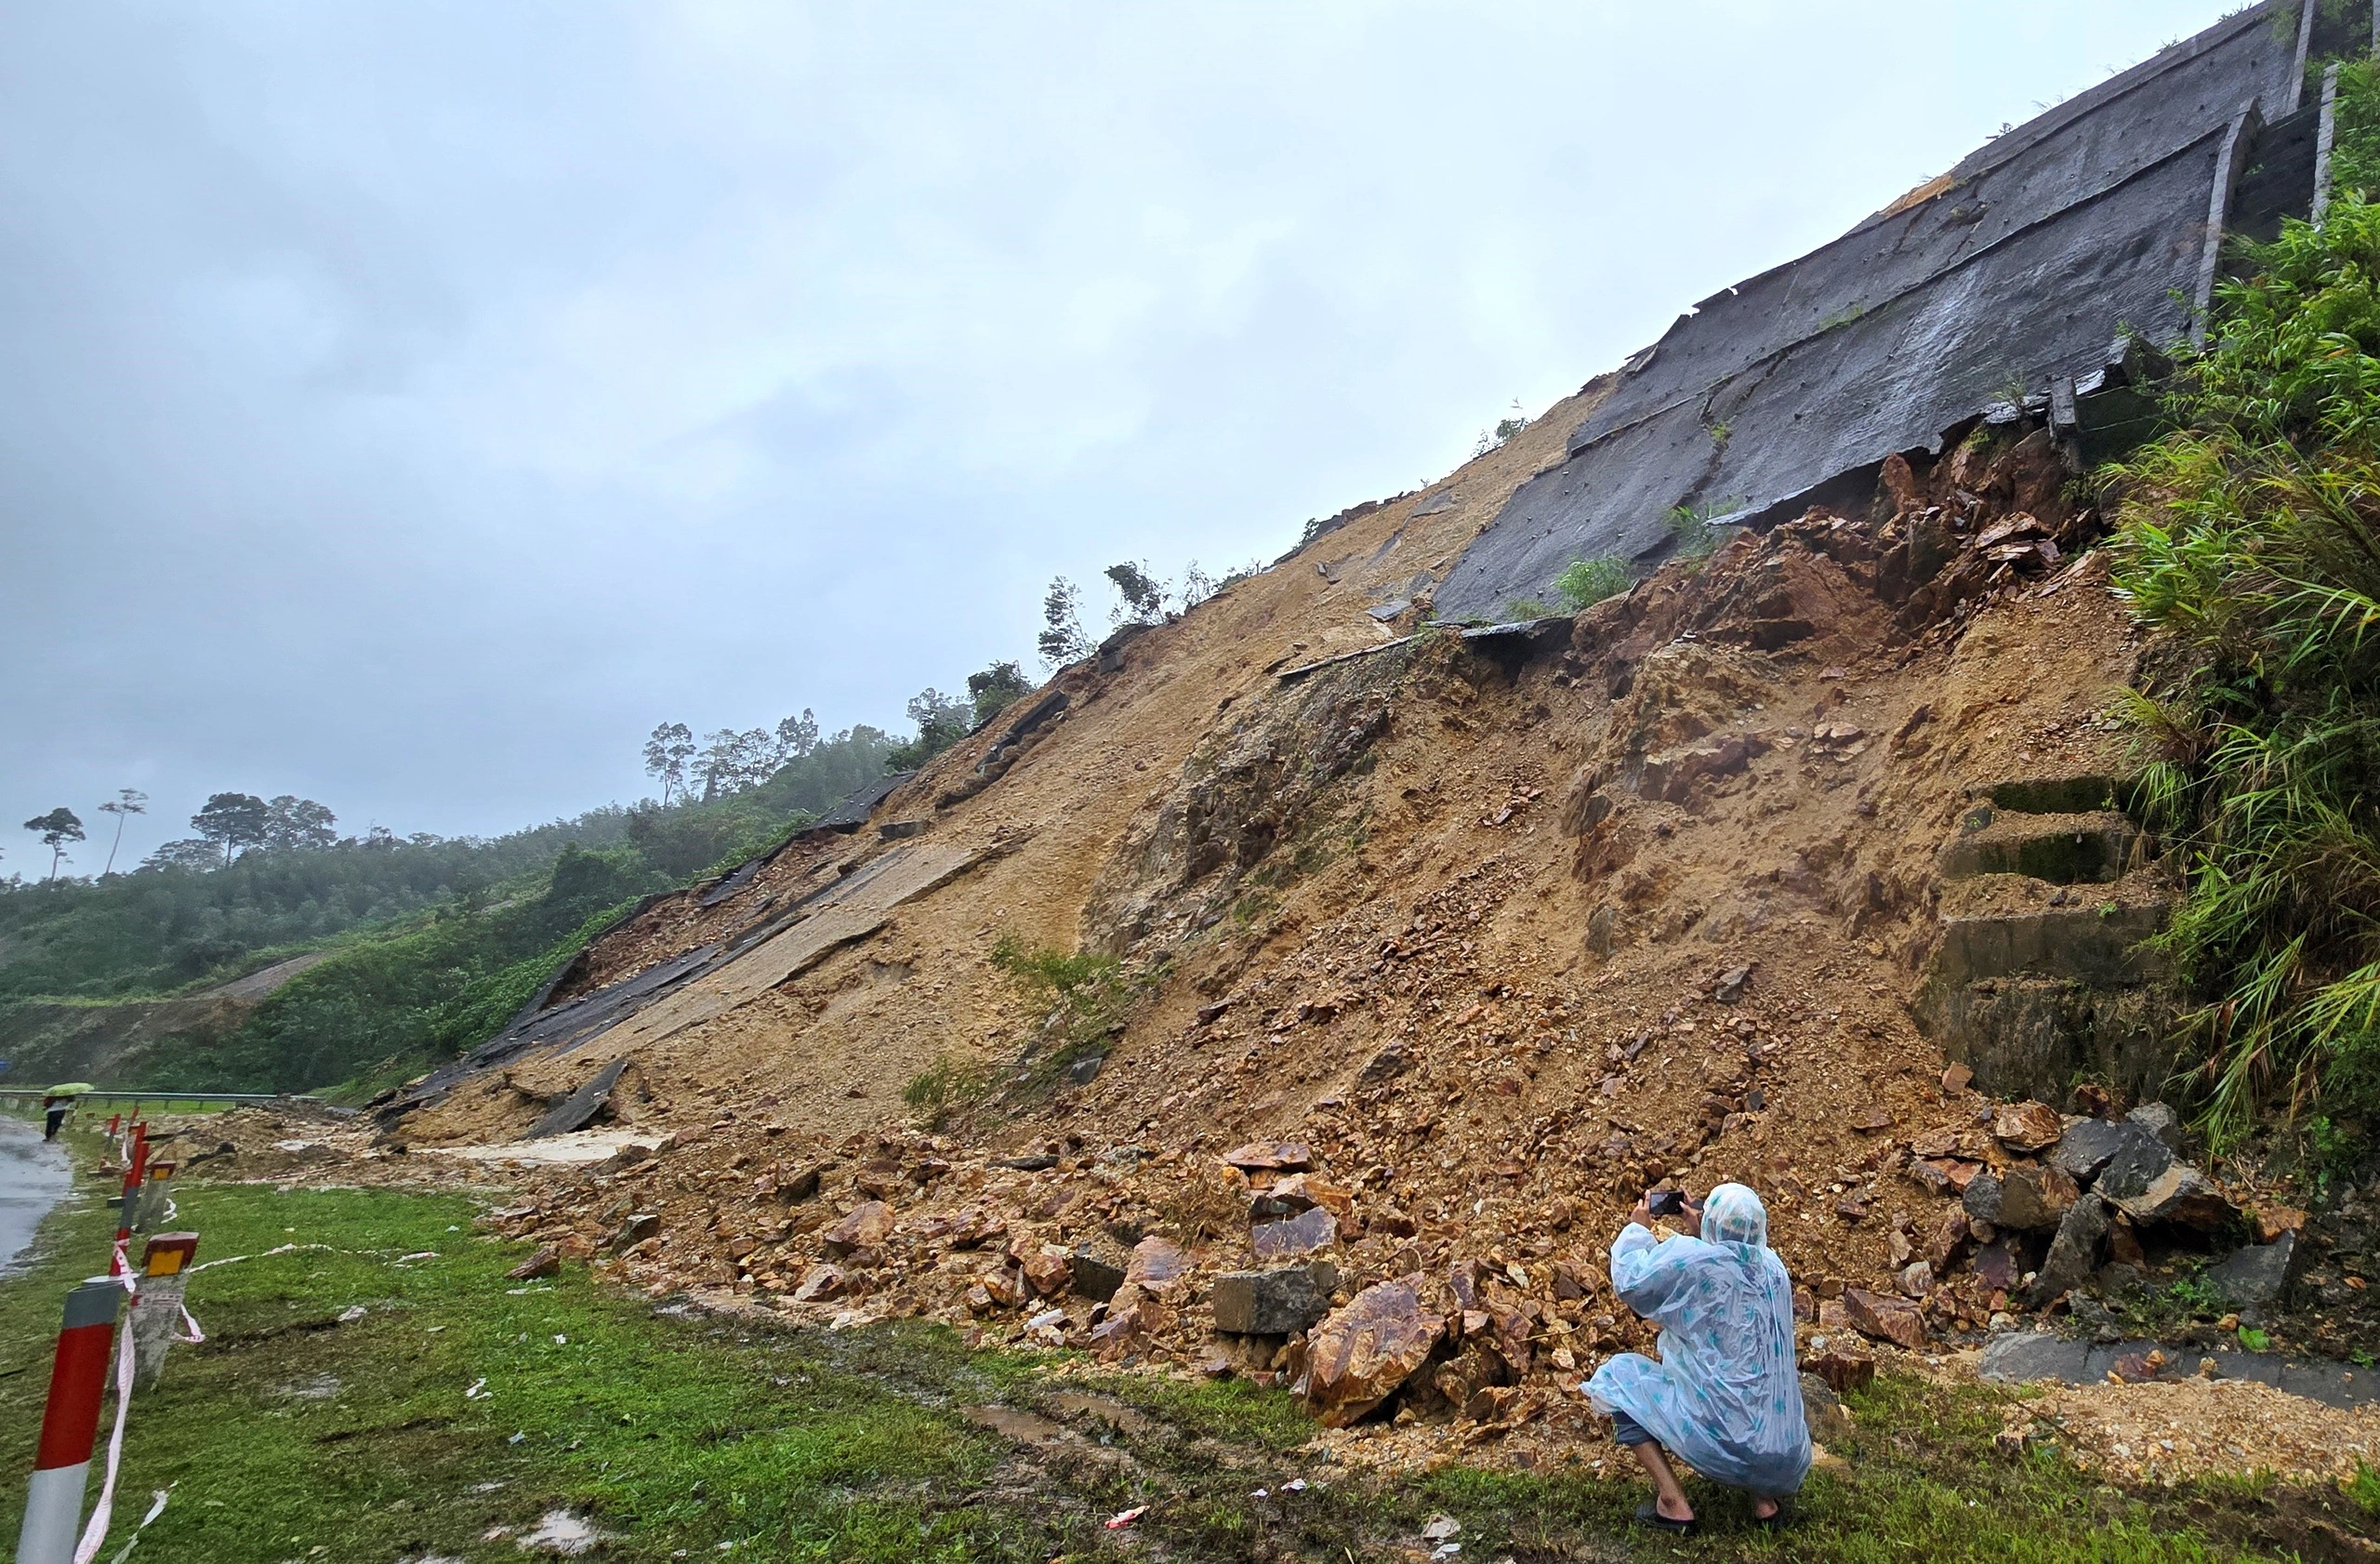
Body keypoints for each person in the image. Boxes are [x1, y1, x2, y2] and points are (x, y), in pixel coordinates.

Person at [1583, 1182, 1809, 1535]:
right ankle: (1765, 1503)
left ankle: (1673, 1504)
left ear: (1711, 1223)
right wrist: (1704, 1231)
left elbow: (1632, 1281)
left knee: (1617, 1377)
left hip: (1722, 1442)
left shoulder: (1696, 1262)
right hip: (1785, 1452)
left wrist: (1637, 1229)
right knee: (1752, 1385)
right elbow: (1734, 1259)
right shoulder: (1774, 1270)